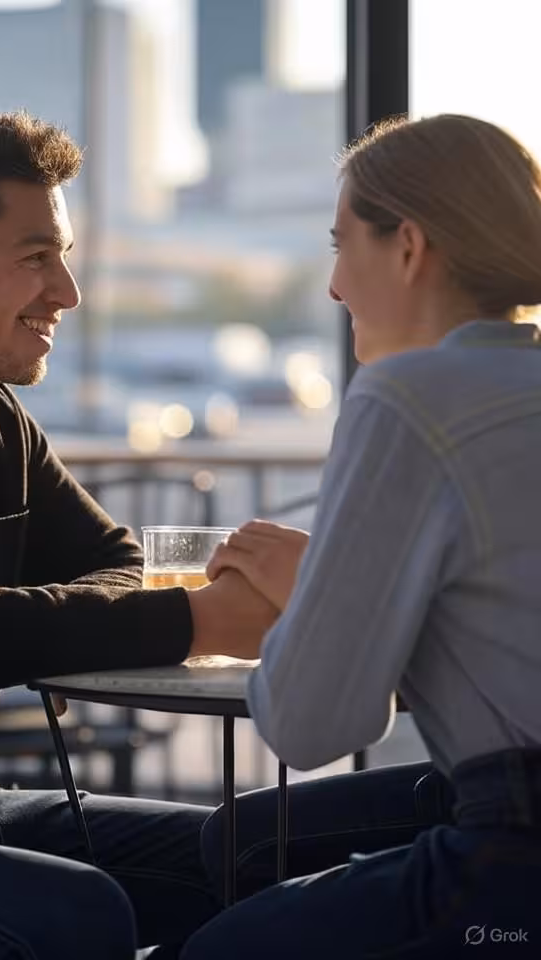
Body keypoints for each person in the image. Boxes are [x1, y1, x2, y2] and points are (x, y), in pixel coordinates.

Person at [0, 108, 279, 959]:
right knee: (78, 915)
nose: (67, 294)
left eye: (63, 257)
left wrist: (40, 619)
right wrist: (198, 621)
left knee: (248, 862)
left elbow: (115, 560)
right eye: (36, 258)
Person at [183, 114, 541, 957]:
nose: (336, 285)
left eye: (343, 245)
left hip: (515, 842)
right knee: (239, 841)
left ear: (409, 246)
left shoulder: (410, 397)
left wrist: (314, 594)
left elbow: (314, 726)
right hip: (490, 788)